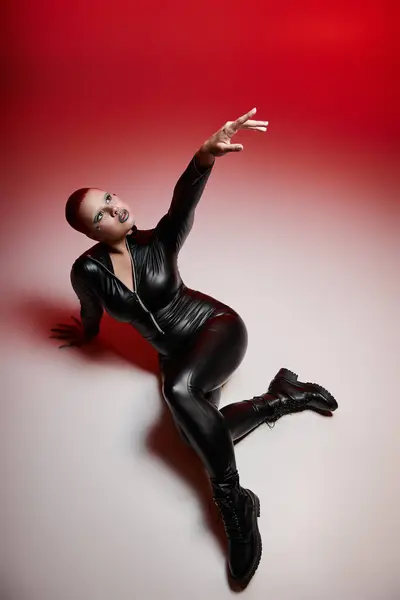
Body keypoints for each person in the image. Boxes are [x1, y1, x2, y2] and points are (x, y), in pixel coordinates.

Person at [50, 108, 338, 588]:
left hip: (216, 328)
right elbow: (91, 310)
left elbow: (184, 201)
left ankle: (235, 504)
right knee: (195, 437)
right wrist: (86, 335)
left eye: (109, 197)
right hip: (178, 359)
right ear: (90, 234)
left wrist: (205, 156)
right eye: (99, 214)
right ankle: (284, 395)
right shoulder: (88, 272)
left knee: (178, 394)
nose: (113, 208)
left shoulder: (160, 242)